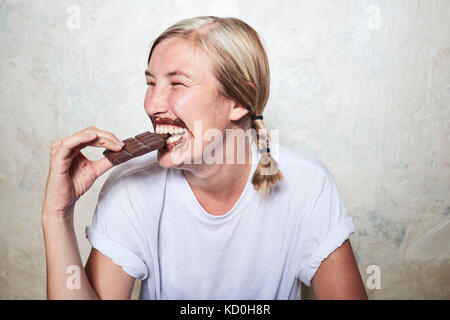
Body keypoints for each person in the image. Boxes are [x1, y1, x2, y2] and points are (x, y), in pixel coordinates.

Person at [42, 16, 367, 300]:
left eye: (177, 83)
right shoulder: (131, 188)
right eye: (151, 83)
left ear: (238, 100)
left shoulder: (307, 184)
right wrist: (57, 215)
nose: (152, 105)